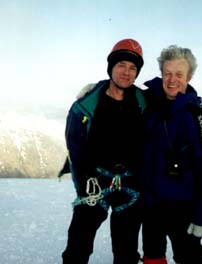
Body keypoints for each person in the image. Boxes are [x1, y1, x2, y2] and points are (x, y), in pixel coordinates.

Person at [59, 38, 145, 264]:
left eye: (133, 68)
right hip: (94, 181)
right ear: (111, 68)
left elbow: (169, 97)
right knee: (78, 247)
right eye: (121, 65)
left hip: (130, 184)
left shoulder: (143, 102)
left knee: (126, 252)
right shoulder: (85, 106)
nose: (126, 72)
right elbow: (75, 150)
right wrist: (85, 185)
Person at [141, 45, 202, 264]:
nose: (172, 80)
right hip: (151, 206)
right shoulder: (149, 103)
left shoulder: (199, 118)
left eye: (179, 74)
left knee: (189, 258)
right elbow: (118, 91)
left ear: (189, 76)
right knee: (152, 257)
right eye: (167, 73)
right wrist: (93, 91)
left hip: (182, 208)